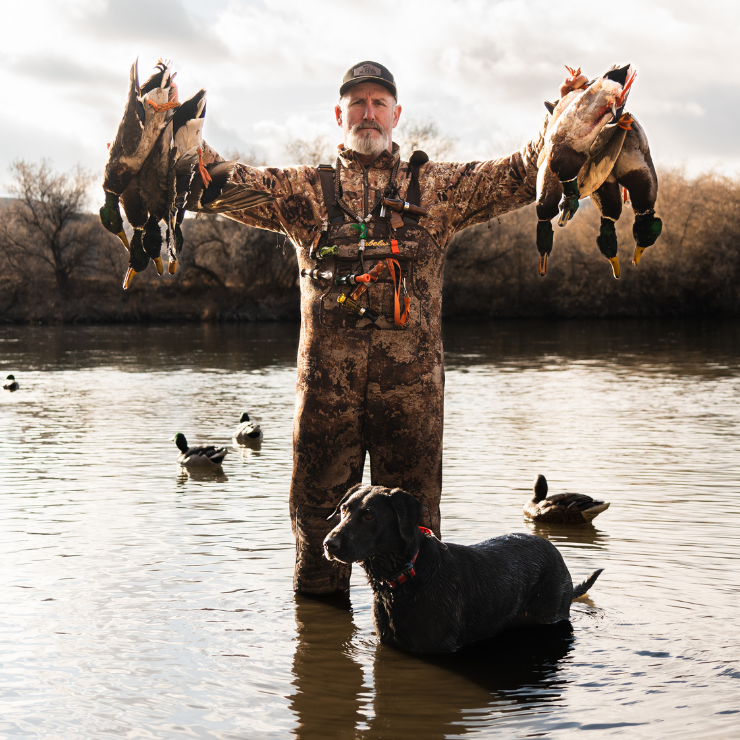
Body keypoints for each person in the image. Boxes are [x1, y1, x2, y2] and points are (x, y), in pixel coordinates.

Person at [202, 61, 546, 595]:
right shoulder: (302, 193)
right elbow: (219, 185)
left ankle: (413, 659)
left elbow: (524, 173)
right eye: (357, 103)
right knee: (318, 541)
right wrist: (170, 128)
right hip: (323, 405)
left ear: (396, 114)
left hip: (411, 408)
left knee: (416, 547)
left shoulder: (436, 188)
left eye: (379, 103)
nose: (368, 113)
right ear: (339, 115)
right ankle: (321, 651)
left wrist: (572, 117)